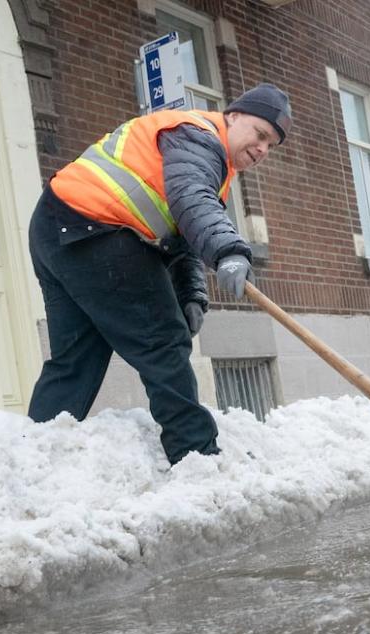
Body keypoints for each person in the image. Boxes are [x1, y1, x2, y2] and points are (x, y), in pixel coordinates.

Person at [26, 84, 292, 464]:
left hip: (57, 225)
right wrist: (229, 250)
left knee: (77, 358)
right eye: (260, 134)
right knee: (164, 343)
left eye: (271, 145)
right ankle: (196, 456)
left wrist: (191, 295)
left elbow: (180, 234)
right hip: (95, 228)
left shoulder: (204, 156)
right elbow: (190, 198)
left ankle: (30, 457)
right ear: (232, 116)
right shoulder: (199, 136)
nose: (263, 148)